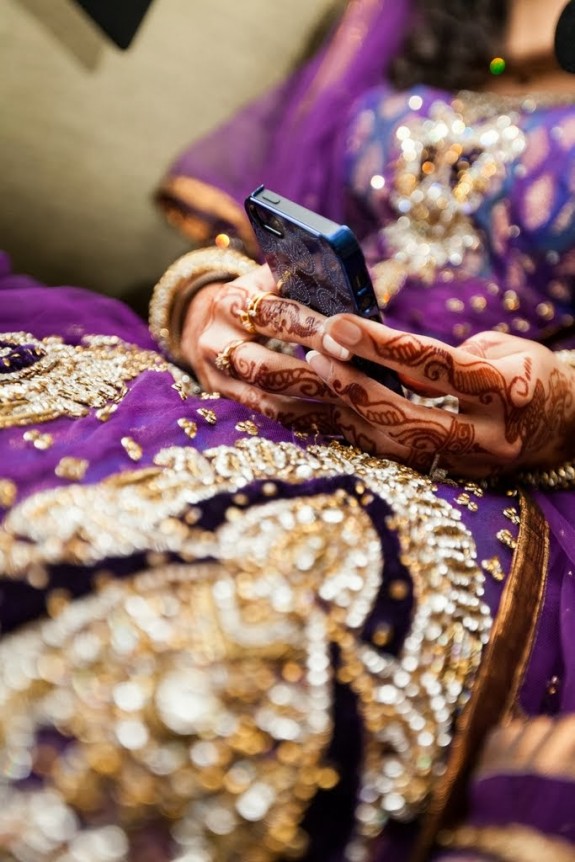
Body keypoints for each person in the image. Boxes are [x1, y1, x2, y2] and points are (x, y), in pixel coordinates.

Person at [1, 0, 575, 860]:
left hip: (493, 485)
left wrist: (565, 407)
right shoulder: (407, 13)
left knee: (184, 683)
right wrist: (205, 304)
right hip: (273, 390)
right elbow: (264, 235)